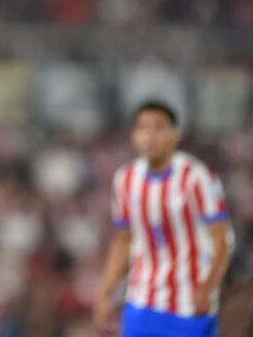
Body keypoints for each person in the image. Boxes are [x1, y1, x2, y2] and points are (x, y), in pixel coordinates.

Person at [94, 101, 234, 337]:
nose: (150, 136)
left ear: (174, 135)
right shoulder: (125, 180)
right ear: (133, 136)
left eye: (159, 128)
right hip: (141, 300)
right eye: (143, 128)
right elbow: (123, 241)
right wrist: (104, 294)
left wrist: (208, 288)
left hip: (189, 303)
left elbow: (223, 239)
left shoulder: (197, 177)